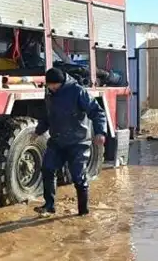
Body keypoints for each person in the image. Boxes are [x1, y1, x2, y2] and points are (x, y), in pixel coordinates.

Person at [34, 67, 107, 217]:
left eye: (54, 85)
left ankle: (83, 212)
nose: (51, 88)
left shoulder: (77, 91)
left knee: (78, 177)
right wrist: (38, 131)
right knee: (47, 169)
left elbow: (97, 112)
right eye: (49, 85)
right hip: (57, 141)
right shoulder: (49, 93)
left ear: (61, 83)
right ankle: (49, 205)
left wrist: (100, 132)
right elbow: (48, 115)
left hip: (78, 142)